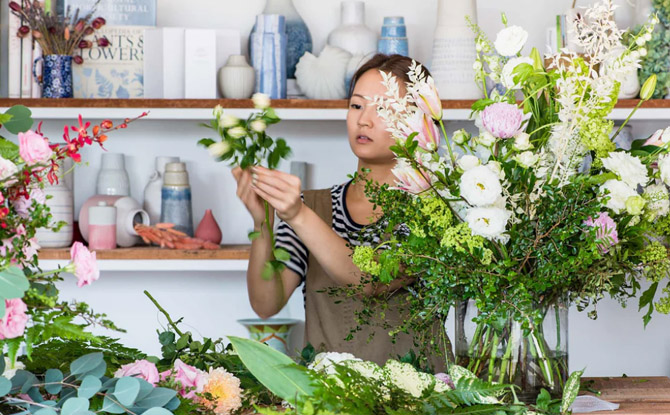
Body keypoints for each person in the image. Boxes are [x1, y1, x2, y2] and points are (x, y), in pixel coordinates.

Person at [232, 54, 449, 368]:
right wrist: (262, 221)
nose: (364, 120)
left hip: (418, 402)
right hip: (327, 399)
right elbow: (266, 303)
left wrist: (296, 215)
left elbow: (371, 280)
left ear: (420, 120)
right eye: (357, 105)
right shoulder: (312, 206)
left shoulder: (430, 209)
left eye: (384, 108)